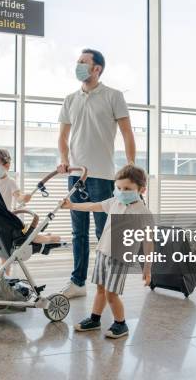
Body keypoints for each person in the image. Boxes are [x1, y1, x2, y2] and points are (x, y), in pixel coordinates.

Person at [58, 48, 136, 298]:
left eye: (83, 62)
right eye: (77, 61)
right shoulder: (70, 99)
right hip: (76, 175)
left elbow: (127, 133)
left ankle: (106, 282)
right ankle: (78, 283)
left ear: (97, 69)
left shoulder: (113, 96)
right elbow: (62, 136)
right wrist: (63, 160)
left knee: (104, 232)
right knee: (78, 232)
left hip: (102, 175)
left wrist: (131, 165)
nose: (78, 66)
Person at [62, 164, 152, 339]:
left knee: (112, 294)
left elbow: (149, 242)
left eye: (127, 189)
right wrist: (71, 205)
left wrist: (147, 267)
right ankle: (95, 319)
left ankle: (121, 324)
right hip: (103, 252)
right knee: (100, 289)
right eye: (118, 188)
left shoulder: (143, 213)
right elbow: (93, 206)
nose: (121, 191)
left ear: (142, 190)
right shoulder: (114, 202)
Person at [0, 148, 30, 274]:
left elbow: (18, 196)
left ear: (6, 166)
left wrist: (24, 197)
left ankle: (5, 277)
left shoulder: (10, 182)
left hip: (4, 221)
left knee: (4, 251)